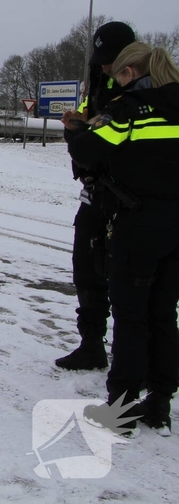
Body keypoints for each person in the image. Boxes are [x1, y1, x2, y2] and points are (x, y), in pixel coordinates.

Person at [68, 41, 179, 435]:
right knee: (165, 315)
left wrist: (80, 126)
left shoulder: (131, 109)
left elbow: (86, 153)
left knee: (131, 316)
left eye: (118, 77)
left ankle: (120, 410)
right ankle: (160, 403)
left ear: (130, 73)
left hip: (138, 224)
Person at [55, 21, 135, 371]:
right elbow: (93, 133)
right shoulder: (98, 83)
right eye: (101, 59)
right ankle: (91, 344)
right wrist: (78, 128)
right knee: (86, 270)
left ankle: (132, 354)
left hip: (129, 198)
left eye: (111, 60)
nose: (105, 66)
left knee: (127, 279)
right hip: (94, 190)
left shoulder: (140, 92)